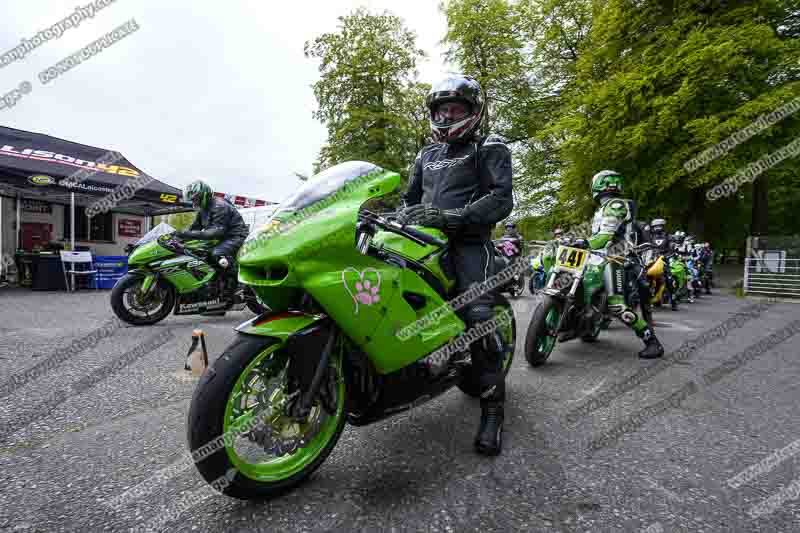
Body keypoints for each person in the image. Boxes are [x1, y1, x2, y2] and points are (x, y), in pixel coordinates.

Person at [397, 74, 513, 455]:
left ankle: (493, 412)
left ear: (474, 112)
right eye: (441, 110)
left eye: (455, 109)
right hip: (420, 242)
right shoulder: (426, 155)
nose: (447, 116)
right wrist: (397, 217)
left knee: (479, 318)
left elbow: (501, 199)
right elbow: (408, 200)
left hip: (469, 245)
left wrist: (452, 218)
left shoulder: (489, 147)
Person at [588, 170, 664, 359]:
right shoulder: (603, 208)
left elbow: (605, 236)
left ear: (597, 185)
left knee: (617, 307)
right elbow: (599, 236)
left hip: (616, 258)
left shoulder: (615, 204)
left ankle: (652, 342)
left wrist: (585, 243)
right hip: (601, 257)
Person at [175, 180, 250, 300]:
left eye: (196, 199)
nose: (194, 202)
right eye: (193, 200)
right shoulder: (203, 209)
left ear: (204, 195)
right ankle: (214, 284)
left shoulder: (219, 206)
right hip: (221, 238)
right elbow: (194, 228)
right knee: (197, 252)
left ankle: (239, 283)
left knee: (217, 253)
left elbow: (216, 232)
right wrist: (177, 237)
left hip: (235, 236)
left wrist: (186, 234)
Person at [649, 218, 679, 311]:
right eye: (655, 226)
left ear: (663, 226)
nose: (657, 228)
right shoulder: (650, 237)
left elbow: (671, 249)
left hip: (664, 260)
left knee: (669, 280)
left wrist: (667, 255)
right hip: (651, 260)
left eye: (659, 226)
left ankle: (673, 301)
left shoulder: (668, 237)